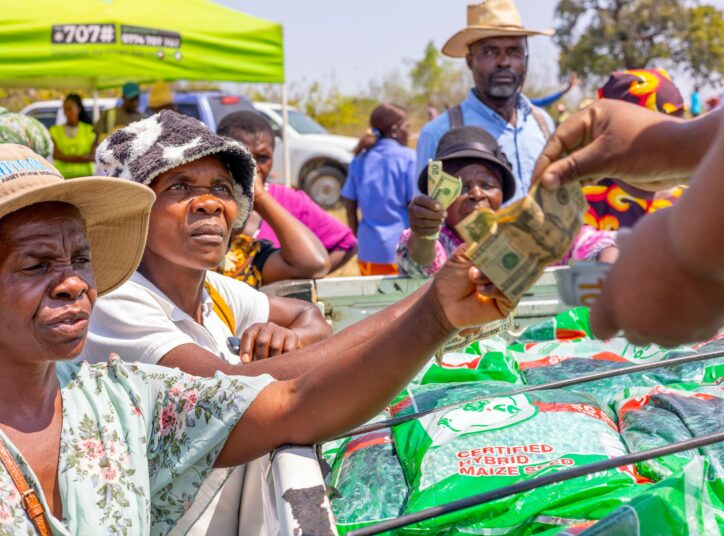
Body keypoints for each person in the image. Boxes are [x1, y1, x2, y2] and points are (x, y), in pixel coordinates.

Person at [0, 142, 512, 535]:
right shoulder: (128, 317)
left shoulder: (121, 399)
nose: (73, 282)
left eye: (81, 260)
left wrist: (435, 316)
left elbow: (293, 402)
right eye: (36, 263)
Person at [87, 110, 332, 534]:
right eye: (180, 186)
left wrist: (287, 337)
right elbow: (234, 395)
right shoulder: (115, 300)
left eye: (221, 187)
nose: (210, 202)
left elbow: (312, 318)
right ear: (133, 211)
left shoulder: (215, 291)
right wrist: (428, 317)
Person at [531, 36, 724, 347]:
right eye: (659, 120)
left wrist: (695, 261)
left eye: (677, 119)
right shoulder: (584, 205)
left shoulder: (697, 193)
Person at [416, 0, 555, 204]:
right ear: (470, 60)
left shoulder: (542, 123)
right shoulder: (439, 133)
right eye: (490, 52)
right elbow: (427, 222)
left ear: (525, 59)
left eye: (514, 51)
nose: (504, 62)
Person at [217, 111, 358, 273]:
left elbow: (347, 243)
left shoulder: (289, 200)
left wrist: (297, 281)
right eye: (243, 157)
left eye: (263, 158)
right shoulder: (208, 201)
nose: (253, 167)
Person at [397, 126, 515, 278]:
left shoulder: (518, 237)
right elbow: (420, 262)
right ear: (440, 197)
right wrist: (424, 235)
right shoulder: (437, 239)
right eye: (461, 187)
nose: (477, 194)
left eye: (487, 185)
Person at [585, 68, 687, 231]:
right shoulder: (587, 204)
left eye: (679, 128)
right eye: (657, 133)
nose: (673, 144)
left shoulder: (694, 198)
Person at [342, 103, 416, 275]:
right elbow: (415, 207)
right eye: (407, 127)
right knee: (403, 301)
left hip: (368, 252)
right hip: (400, 252)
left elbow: (349, 206)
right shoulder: (409, 159)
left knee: (373, 302)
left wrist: (359, 239)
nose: (410, 133)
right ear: (395, 130)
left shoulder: (360, 160)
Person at [48, 93, 97, 179]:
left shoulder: (89, 130)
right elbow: (55, 155)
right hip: (62, 177)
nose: (67, 113)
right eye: (65, 109)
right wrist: (81, 158)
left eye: (70, 109)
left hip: (86, 177)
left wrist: (65, 158)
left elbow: (93, 156)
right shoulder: (54, 131)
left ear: (78, 109)